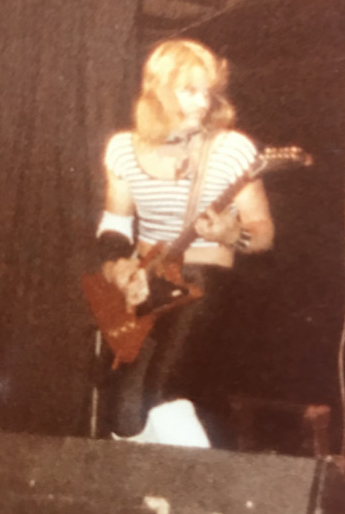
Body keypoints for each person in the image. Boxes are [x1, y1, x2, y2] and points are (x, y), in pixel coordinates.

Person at [96, 39, 274, 444]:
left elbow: (263, 232)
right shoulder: (123, 149)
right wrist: (118, 267)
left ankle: (200, 479)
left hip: (205, 281)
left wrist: (232, 234)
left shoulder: (232, 149)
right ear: (158, 91)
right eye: (189, 90)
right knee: (123, 415)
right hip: (147, 284)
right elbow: (115, 224)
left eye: (208, 92)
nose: (202, 102)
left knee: (163, 394)